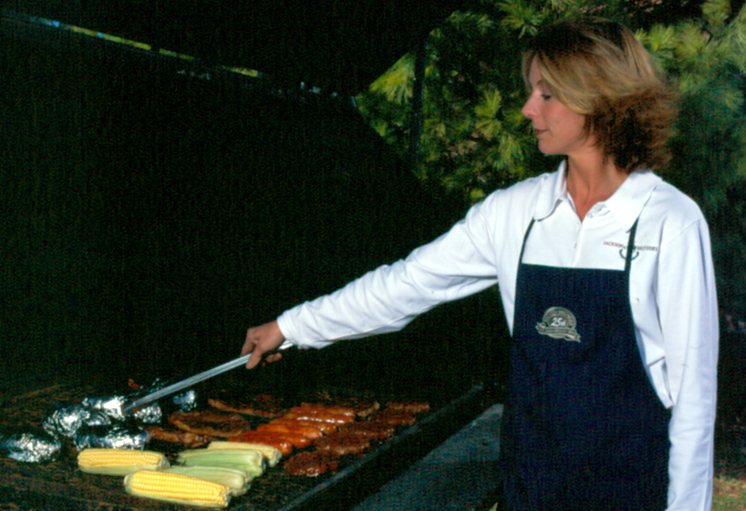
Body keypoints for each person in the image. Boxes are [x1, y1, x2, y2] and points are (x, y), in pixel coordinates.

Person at [241, 17, 718, 511]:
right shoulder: (513, 213)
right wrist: (291, 326)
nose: (528, 108)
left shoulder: (669, 221)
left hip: (631, 491)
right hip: (531, 488)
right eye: (531, 91)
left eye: (547, 94)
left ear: (598, 98)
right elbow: (404, 285)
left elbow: (694, 397)